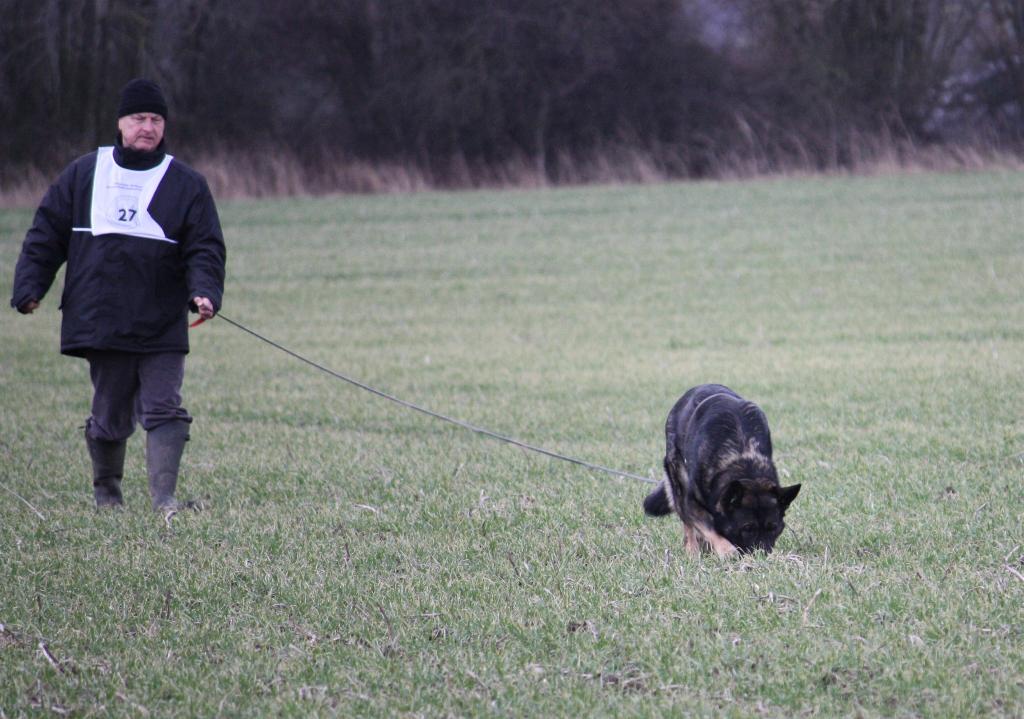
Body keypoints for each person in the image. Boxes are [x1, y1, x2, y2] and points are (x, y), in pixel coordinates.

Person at [11, 78, 226, 511]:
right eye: (138, 118)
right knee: (110, 415)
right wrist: (30, 287)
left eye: (156, 119)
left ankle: (165, 500)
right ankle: (107, 494)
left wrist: (204, 291)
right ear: (120, 122)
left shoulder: (186, 184)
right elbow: (46, 234)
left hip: (161, 320)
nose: (147, 127)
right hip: (101, 316)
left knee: (165, 406)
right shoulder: (85, 173)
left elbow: (205, 246)